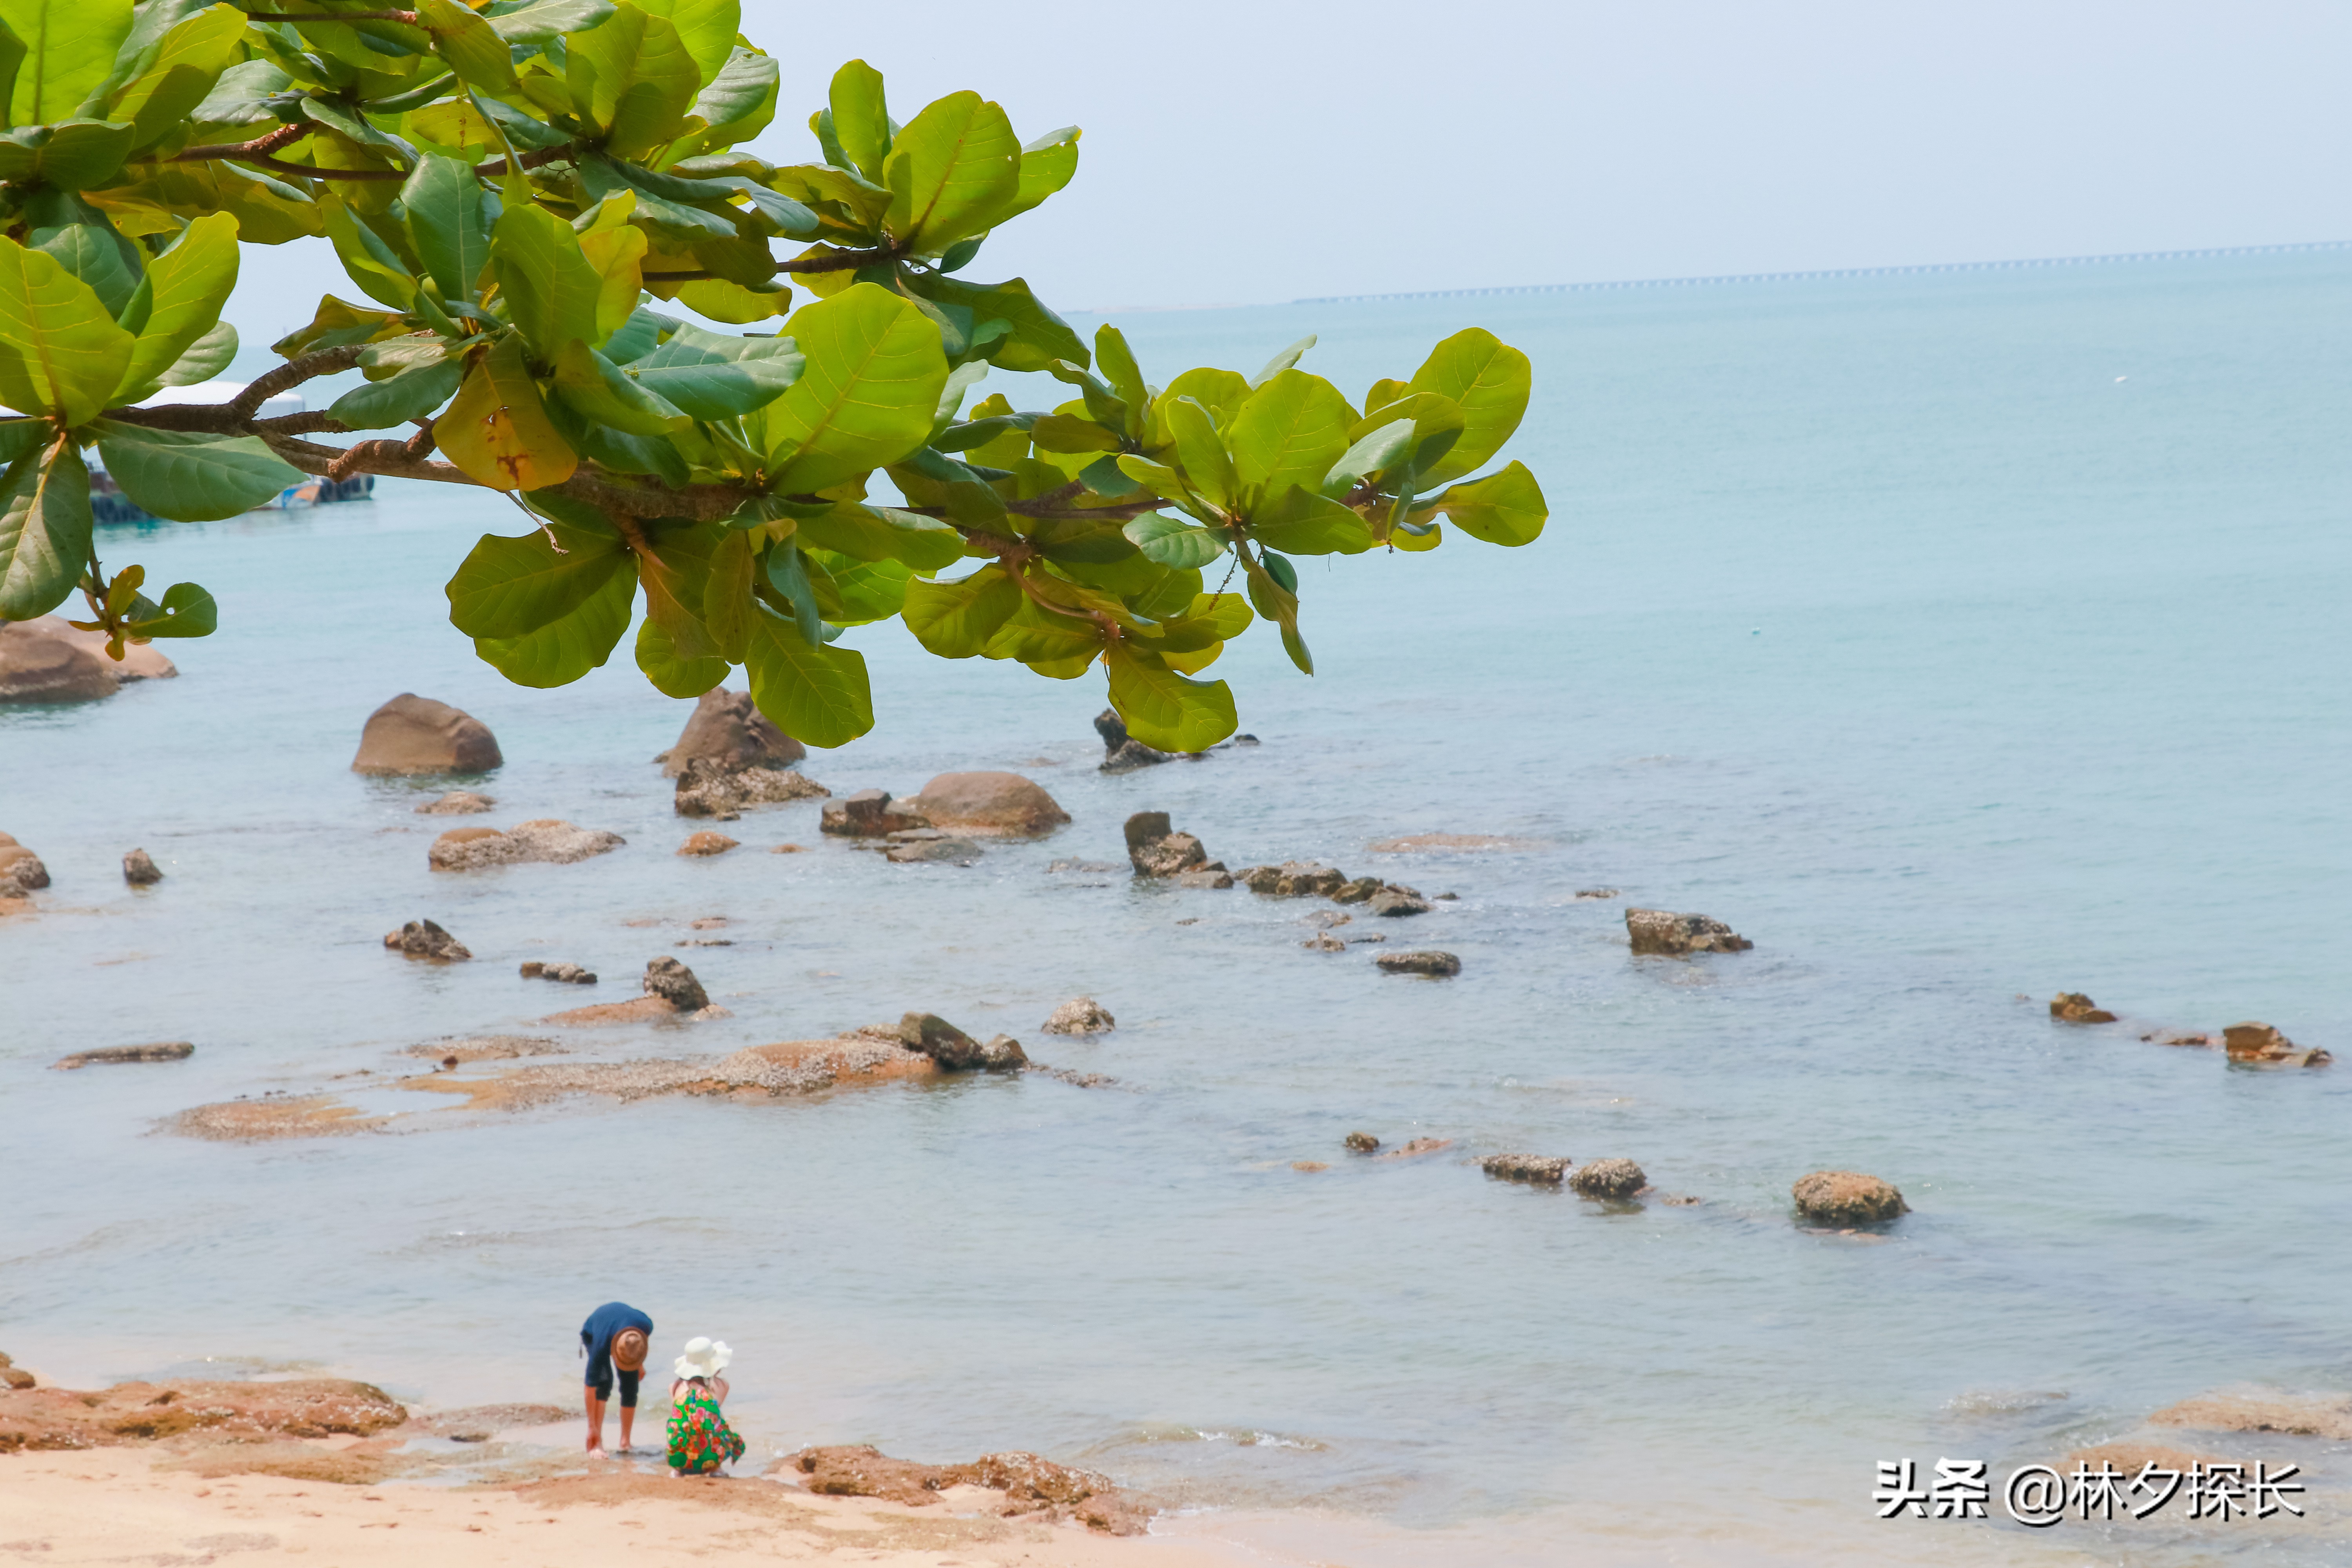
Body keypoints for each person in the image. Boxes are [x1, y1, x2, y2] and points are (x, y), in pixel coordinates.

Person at [579, 1301, 653, 1454]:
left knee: (631, 1387)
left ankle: (625, 1442)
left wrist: (638, 1362)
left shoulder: (646, 1325)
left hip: (624, 1334)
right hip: (594, 1332)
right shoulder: (601, 1345)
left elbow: (640, 1343)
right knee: (604, 1383)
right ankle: (597, 1442)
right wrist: (590, 1429)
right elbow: (589, 1387)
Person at [666, 1336, 745, 1477]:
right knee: (716, 1427)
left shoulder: (674, 1387)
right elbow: (711, 1419)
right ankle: (716, 1469)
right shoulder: (721, 1386)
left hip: (679, 1459)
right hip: (710, 1458)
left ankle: (677, 1471)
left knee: (682, 1426)